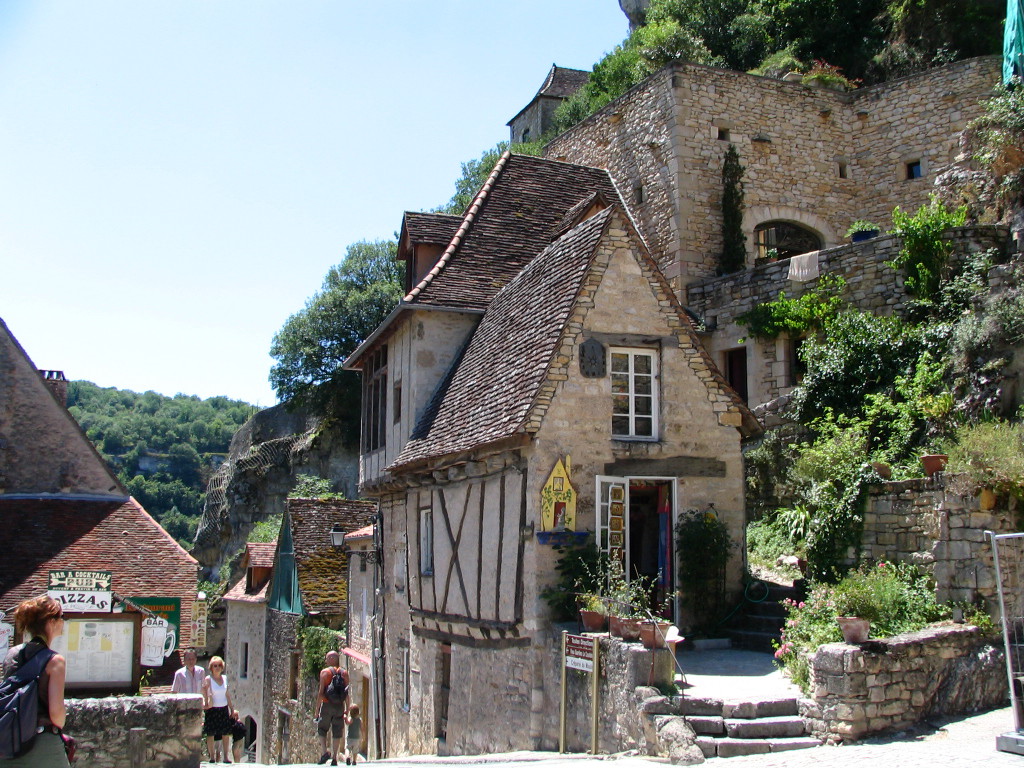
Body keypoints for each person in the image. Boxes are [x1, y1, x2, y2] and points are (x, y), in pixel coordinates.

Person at [2, 595, 70, 768]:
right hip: (42, 743)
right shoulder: (54, 660)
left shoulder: (12, 654)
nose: (63, 622)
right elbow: (56, 715)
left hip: (9, 739)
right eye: (61, 617)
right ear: (52, 621)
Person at [314, 650, 348, 766]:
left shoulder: (324, 673)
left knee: (322, 729)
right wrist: (347, 709)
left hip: (327, 705)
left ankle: (324, 752)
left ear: (331, 659)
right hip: (339, 706)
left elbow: (321, 693)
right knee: (337, 732)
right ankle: (334, 757)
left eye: (327, 658)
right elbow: (346, 693)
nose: (326, 660)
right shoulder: (344, 673)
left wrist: (317, 711)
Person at [201, 655, 234, 763]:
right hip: (212, 709)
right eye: (215, 666)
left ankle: (225, 757)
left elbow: (227, 694)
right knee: (211, 733)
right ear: (211, 667)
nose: (217, 667)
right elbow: (205, 693)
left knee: (225, 733)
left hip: (223, 708)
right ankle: (212, 757)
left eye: (219, 665)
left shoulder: (224, 678)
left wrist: (231, 708)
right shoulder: (208, 679)